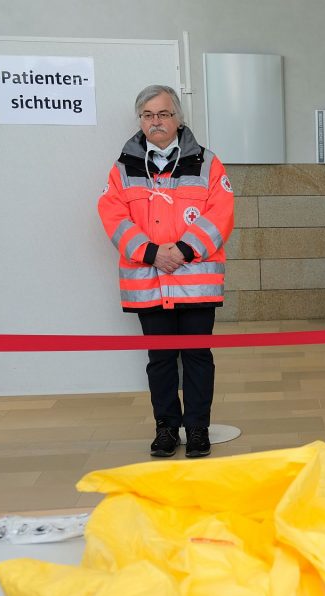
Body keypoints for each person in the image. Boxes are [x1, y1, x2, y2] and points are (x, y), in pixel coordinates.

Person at [98, 85, 234, 458]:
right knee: (159, 360)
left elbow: (220, 214)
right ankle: (166, 429)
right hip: (147, 283)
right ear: (140, 120)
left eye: (163, 114)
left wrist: (185, 250)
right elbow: (113, 216)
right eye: (148, 115)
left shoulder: (207, 163)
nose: (155, 122)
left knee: (196, 356)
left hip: (195, 283)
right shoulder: (122, 167)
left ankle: (198, 429)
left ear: (178, 118)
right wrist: (152, 252)